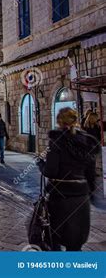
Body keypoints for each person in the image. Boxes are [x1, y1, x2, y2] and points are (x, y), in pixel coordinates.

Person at [39, 107, 99, 251]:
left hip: (61, 198)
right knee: (75, 244)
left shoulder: (57, 140)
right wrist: (90, 194)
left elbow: (51, 171)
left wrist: (41, 164)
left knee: (55, 241)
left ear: (59, 121)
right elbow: (91, 173)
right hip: (81, 198)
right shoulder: (86, 141)